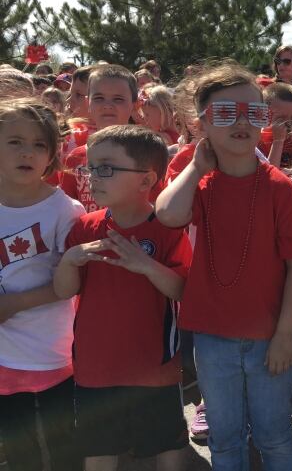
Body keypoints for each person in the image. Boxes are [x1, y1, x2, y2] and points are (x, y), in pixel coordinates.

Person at [155, 63, 292, 471]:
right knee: (225, 439)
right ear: (201, 121)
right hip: (212, 338)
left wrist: (285, 336)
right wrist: (195, 166)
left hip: (268, 338)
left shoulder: (280, 187)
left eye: (253, 113)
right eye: (225, 114)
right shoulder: (197, 180)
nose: (242, 123)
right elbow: (168, 215)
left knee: (274, 435)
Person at [53, 125, 192, 471]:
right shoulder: (85, 227)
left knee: (167, 446)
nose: (92, 177)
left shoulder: (167, 227)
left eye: (106, 168)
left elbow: (182, 291)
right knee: (99, 450)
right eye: (89, 167)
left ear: (146, 181)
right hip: (95, 368)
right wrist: (69, 261)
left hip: (154, 369)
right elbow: (64, 290)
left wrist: (145, 265)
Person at [0, 99, 85, 471]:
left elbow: (74, 281)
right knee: (19, 450)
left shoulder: (64, 210)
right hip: (2, 357)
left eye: (39, 144)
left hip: (52, 351)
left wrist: (14, 305)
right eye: (15, 141)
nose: (27, 152)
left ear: (52, 154)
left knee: (64, 443)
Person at [60, 65, 139, 211]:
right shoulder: (75, 158)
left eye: (118, 99)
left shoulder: (145, 153)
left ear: (134, 105)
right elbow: (67, 211)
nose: (107, 105)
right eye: (99, 98)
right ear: (88, 103)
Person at [260, 81, 292, 170]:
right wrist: (278, 141)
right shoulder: (260, 140)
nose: (288, 123)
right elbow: (270, 177)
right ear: (265, 115)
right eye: (281, 118)